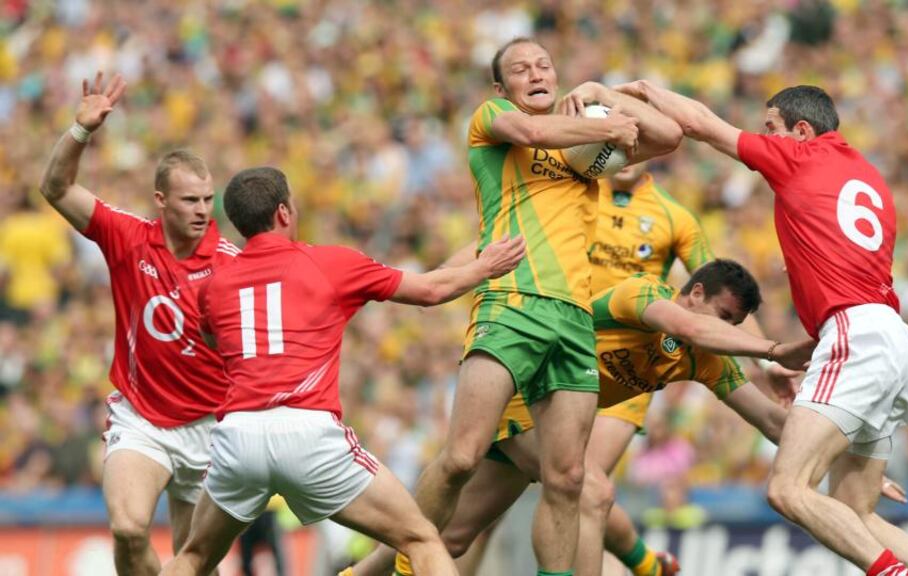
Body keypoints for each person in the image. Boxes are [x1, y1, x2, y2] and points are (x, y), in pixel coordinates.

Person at [616, 80, 908, 576]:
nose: (763, 136)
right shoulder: (869, 177)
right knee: (855, 511)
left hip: (855, 334)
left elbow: (701, 124)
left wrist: (644, 91)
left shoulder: (800, 158)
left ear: (802, 130)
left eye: (770, 127)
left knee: (786, 489)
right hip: (893, 337)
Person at [392, 37, 683, 576]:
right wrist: (607, 126)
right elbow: (530, 131)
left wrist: (602, 94)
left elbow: (669, 136)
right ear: (503, 88)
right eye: (521, 69)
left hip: (574, 319)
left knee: (569, 478)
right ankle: (407, 570)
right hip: (511, 303)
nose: (535, 73)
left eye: (544, 64)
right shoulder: (494, 118)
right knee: (461, 456)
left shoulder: (583, 150)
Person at [348, 261, 831, 576]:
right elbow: (682, 323)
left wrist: (842, 443)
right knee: (585, 485)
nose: (721, 330)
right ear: (695, 292)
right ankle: (640, 568)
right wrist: (770, 350)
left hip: (544, 423)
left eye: (731, 325)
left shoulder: (701, 357)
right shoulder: (642, 296)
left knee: (450, 537)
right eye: (721, 316)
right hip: (516, 395)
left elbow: (769, 419)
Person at [158, 166, 526, 576]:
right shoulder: (330, 262)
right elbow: (431, 290)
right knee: (420, 537)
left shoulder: (213, 286)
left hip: (238, 435)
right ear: (284, 212)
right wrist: (485, 266)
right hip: (307, 431)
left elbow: (213, 341)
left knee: (192, 556)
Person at [39, 72, 237, 576]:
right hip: (142, 418)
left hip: (211, 429)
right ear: (160, 201)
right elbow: (55, 188)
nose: (202, 211)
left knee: (197, 566)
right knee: (129, 529)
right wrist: (80, 131)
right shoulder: (128, 237)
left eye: (207, 199)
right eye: (190, 200)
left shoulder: (233, 263)